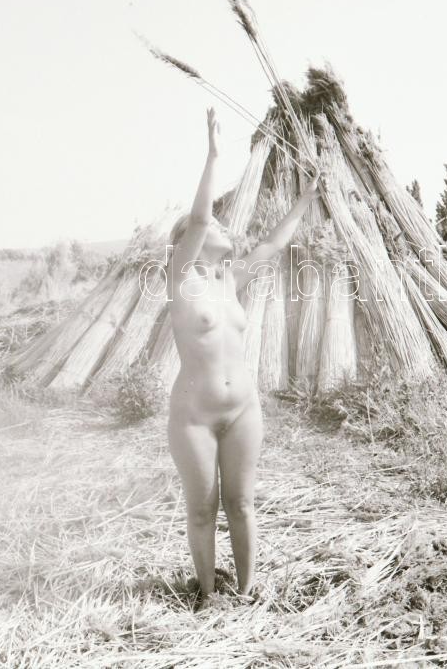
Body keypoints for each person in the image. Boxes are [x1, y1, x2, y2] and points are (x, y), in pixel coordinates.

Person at [166, 107, 320, 605]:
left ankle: (247, 592)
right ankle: (209, 595)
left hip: (242, 410)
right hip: (194, 416)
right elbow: (199, 218)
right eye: (213, 226)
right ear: (187, 244)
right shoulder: (180, 280)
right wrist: (213, 155)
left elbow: (273, 244)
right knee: (202, 510)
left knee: (242, 504)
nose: (221, 227)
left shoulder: (230, 280)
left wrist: (305, 200)